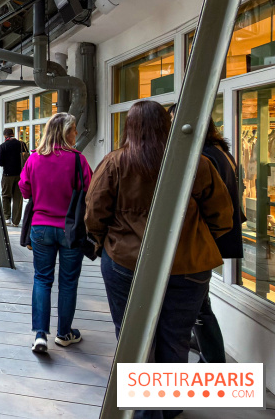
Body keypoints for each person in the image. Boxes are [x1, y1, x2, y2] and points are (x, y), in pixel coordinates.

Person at [86, 100, 232, 419]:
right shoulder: (195, 163)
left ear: (130, 127)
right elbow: (222, 215)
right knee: (176, 337)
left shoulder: (115, 163)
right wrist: (195, 237)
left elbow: (94, 214)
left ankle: (146, 411)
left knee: (133, 335)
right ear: (168, 126)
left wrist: (104, 241)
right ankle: (170, 405)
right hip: (189, 266)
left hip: (126, 264)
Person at [168, 104, 243, 363]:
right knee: (200, 303)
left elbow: (211, 207)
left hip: (201, 243)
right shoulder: (221, 152)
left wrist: (200, 237)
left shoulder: (203, 157)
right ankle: (203, 347)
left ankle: (213, 360)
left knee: (201, 308)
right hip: (210, 240)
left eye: (174, 122)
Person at [19, 112, 92, 353]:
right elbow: (89, 190)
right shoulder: (78, 160)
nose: (76, 133)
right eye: (74, 129)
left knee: (42, 279)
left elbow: (25, 190)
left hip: (41, 228)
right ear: (66, 132)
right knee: (68, 282)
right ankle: (64, 333)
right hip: (70, 229)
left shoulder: (34, 159)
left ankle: (40, 335)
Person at [0, 128, 25, 226]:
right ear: (13, 134)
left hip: (7, 175)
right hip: (20, 175)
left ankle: (7, 218)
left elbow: (0, 162)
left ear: (5, 136)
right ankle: (16, 221)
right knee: (18, 198)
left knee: (6, 196)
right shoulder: (22, 144)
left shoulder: (3, 146)